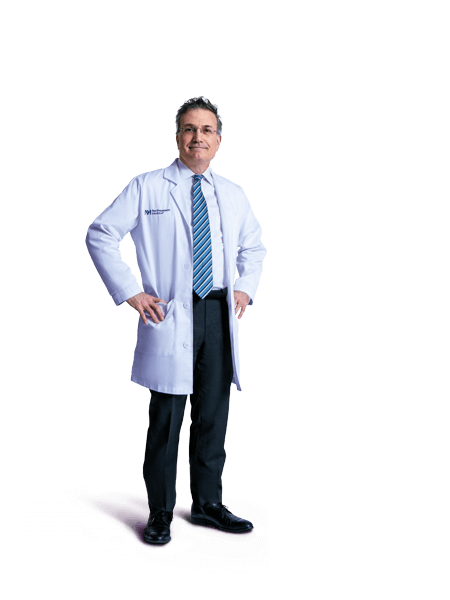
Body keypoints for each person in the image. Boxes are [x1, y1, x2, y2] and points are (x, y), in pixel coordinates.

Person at [85, 96, 266, 544]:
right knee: (166, 420)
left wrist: (245, 287)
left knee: (214, 416)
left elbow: (254, 247)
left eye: (206, 130)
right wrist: (131, 292)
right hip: (170, 312)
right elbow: (100, 233)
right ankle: (160, 513)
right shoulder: (147, 186)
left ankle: (207, 506)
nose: (197, 137)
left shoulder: (233, 193)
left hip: (219, 312)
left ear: (218, 141)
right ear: (177, 137)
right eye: (189, 129)